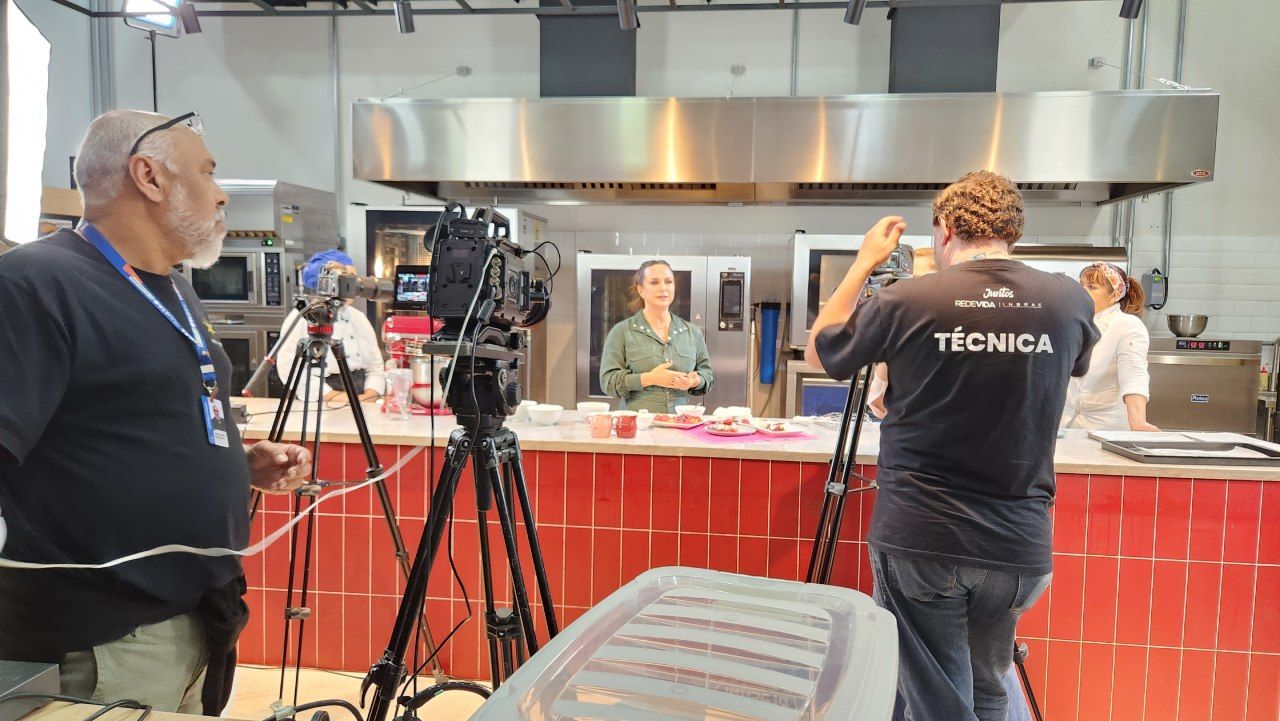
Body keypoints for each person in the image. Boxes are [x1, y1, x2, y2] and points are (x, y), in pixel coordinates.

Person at [0, 110, 311, 713]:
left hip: (194, 622)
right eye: (208, 172)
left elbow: (121, 425)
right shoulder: (35, 283)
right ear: (148, 176)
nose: (222, 194)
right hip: (105, 638)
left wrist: (237, 465)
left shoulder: (170, 286)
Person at [805, 171, 1100, 721]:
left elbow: (824, 351)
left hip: (924, 538)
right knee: (988, 690)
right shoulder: (1067, 300)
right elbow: (1043, 372)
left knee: (935, 700)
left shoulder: (907, 298)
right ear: (1013, 229)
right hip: (1019, 546)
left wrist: (865, 260)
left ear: (943, 230)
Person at [599, 259, 713, 413]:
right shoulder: (621, 332)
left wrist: (695, 380)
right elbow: (608, 382)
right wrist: (649, 378)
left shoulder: (693, 333)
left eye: (668, 282)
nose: (663, 288)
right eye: (654, 282)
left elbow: (707, 375)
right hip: (637, 427)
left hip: (681, 425)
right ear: (641, 290)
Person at [276, 249, 386, 404]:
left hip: (363, 394)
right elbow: (289, 370)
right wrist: (340, 398)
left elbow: (375, 368)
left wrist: (370, 394)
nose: (355, 287)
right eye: (348, 281)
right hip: (322, 397)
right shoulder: (302, 317)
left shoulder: (357, 317)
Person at [1060, 262, 1159, 431]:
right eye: (1081, 285)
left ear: (1114, 296)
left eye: (1092, 287)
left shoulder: (1127, 326)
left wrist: (1138, 421)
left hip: (1105, 431)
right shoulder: (1071, 323)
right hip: (1065, 428)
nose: (1082, 292)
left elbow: (1134, 375)